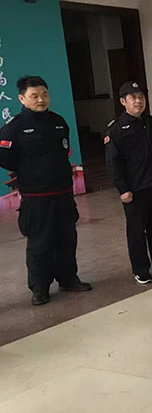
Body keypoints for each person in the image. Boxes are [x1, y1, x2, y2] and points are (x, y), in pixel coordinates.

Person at [0, 76, 92, 306]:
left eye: (44, 94)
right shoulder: (14, 127)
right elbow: (6, 159)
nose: (41, 100)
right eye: (34, 96)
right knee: (39, 244)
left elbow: (64, 152)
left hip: (63, 193)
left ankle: (68, 279)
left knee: (67, 239)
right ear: (22, 99)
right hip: (36, 198)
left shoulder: (59, 122)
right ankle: (39, 288)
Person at [105, 81, 152, 284]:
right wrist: (123, 189)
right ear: (123, 101)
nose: (138, 101)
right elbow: (113, 162)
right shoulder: (116, 129)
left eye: (141, 97)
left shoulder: (151, 122)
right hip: (135, 190)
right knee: (137, 232)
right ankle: (141, 270)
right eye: (133, 98)